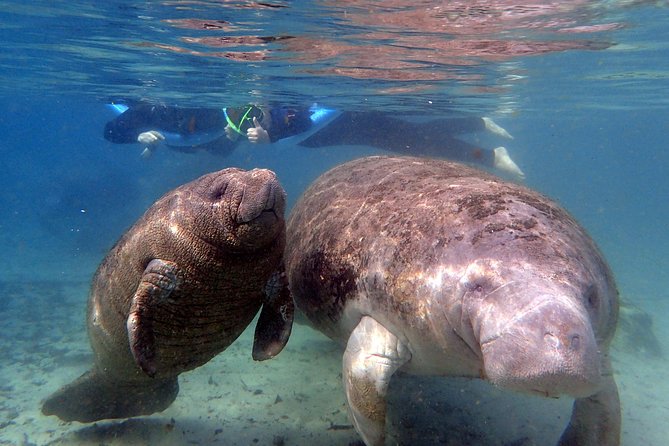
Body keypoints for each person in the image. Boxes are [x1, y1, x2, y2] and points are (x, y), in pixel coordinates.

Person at [104, 102, 524, 180]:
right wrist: (141, 139)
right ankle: (482, 139)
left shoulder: (216, 106)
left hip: (311, 122)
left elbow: (284, 114)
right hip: (313, 132)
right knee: (394, 132)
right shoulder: (151, 111)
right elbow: (113, 130)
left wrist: (270, 134)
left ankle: (482, 140)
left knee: (394, 130)